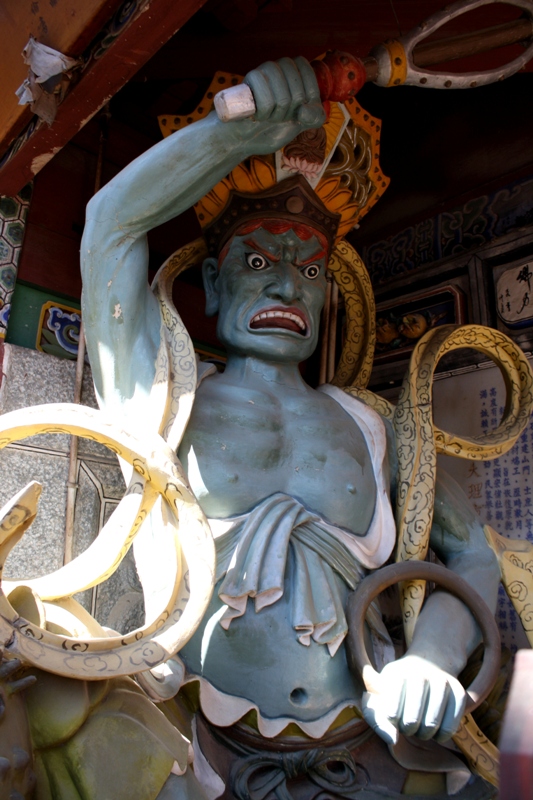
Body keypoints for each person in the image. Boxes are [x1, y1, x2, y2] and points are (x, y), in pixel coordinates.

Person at [81, 57, 500, 798]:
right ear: (211, 284)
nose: (284, 282)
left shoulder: (371, 424)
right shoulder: (162, 398)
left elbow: (471, 555)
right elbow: (109, 226)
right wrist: (227, 137)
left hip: (366, 742)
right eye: (256, 259)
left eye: (307, 268)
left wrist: (432, 656)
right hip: (198, 746)